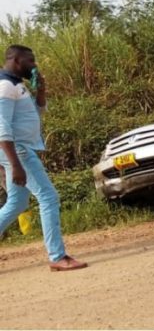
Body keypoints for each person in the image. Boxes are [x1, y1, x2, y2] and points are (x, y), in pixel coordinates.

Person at [0, 45, 87, 271]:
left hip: (21, 148)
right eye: (31, 61)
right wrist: (16, 164)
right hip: (17, 150)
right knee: (48, 196)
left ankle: (57, 255)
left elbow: (35, 115)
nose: (34, 65)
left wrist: (41, 92)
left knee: (17, 203)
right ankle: (58, 257)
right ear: (17, 60)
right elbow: (2, 128)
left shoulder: (18, 85)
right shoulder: (5, 85)